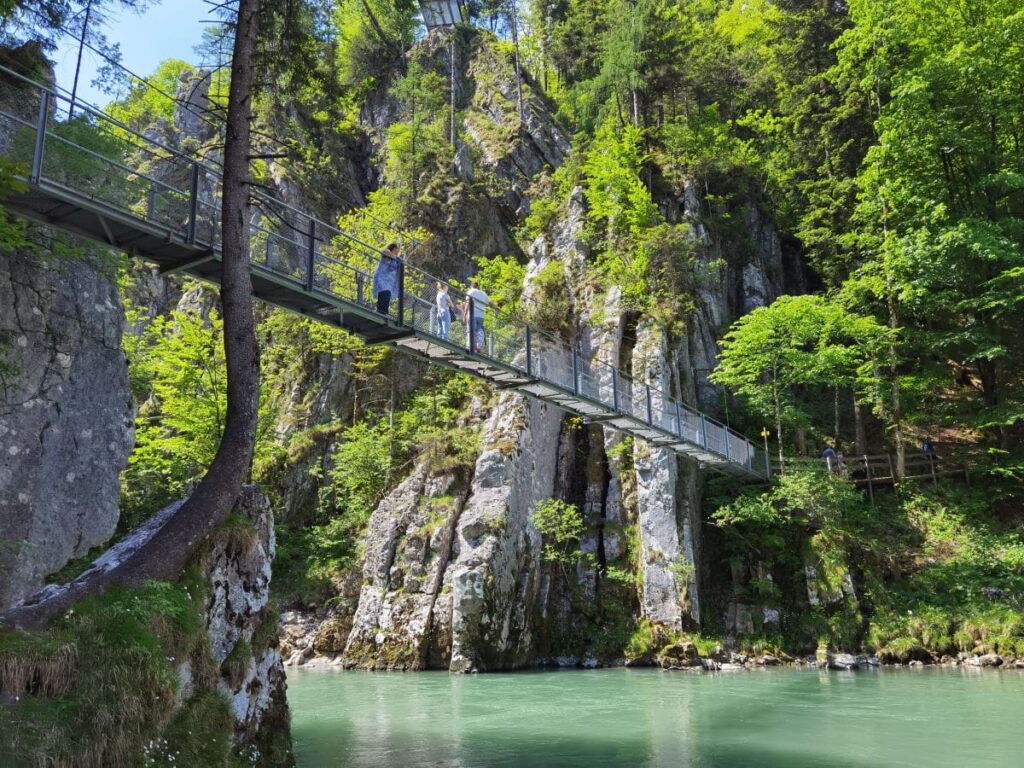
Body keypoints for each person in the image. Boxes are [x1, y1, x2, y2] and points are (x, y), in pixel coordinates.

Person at [463, 279, 497, 352]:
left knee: (471, 330)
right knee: (479, 330)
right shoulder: (483, 293)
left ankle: (472, 347)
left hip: (472, 314)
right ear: (478, 287)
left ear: (471, 286)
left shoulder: (470, 292)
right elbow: (490, 303)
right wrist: (497, 308)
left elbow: (467, 304)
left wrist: (464, 315)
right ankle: (480, 347)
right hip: (481, 316)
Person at [373, 243, 401, 316]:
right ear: (394, 248)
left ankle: (382, 312)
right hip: (382, 278)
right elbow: (384, 251)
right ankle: (382, 312)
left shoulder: (396, 259)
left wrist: (396, 258)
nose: (399, 251)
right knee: (384, 294)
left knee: (386, 295)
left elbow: (401, 263)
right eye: (398, 249)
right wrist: (394, 256)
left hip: (389, 281)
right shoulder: (387, 254)